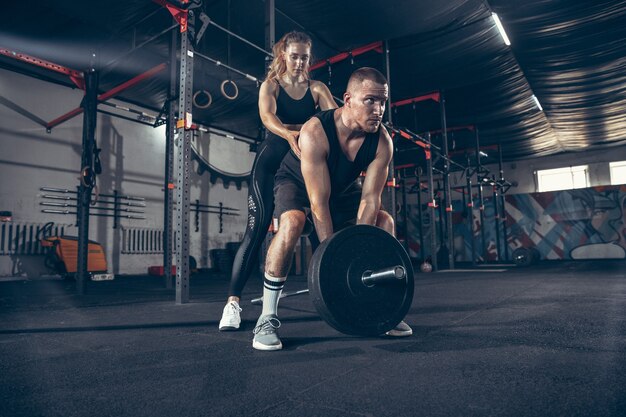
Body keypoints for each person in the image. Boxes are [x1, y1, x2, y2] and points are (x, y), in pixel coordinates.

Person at [252, 67, 413, 351]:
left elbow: (370, 199)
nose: (379, 110)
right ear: (348, 99)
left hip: (340, 189)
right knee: (292, 222)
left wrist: (358, 257)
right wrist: (336, 265)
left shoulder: (382, 142)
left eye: (383, 102)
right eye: (370, 101)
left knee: (384, 221)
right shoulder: (316, 130)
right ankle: (267, 317)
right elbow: (318, 203)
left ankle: (380, 307)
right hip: (297, 183)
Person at [219, 31, 337, 331]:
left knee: (320, 229)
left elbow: (334, 121)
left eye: (305, 57)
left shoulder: (317, 88)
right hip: (271, 164)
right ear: (283, 54)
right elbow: (267, 117)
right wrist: (290, 133)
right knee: (256, 232)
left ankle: (335, 295)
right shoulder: (270, 85)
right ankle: (232, 304)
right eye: (294, 55)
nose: (299, 62)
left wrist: (309, 131)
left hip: (303, 169)